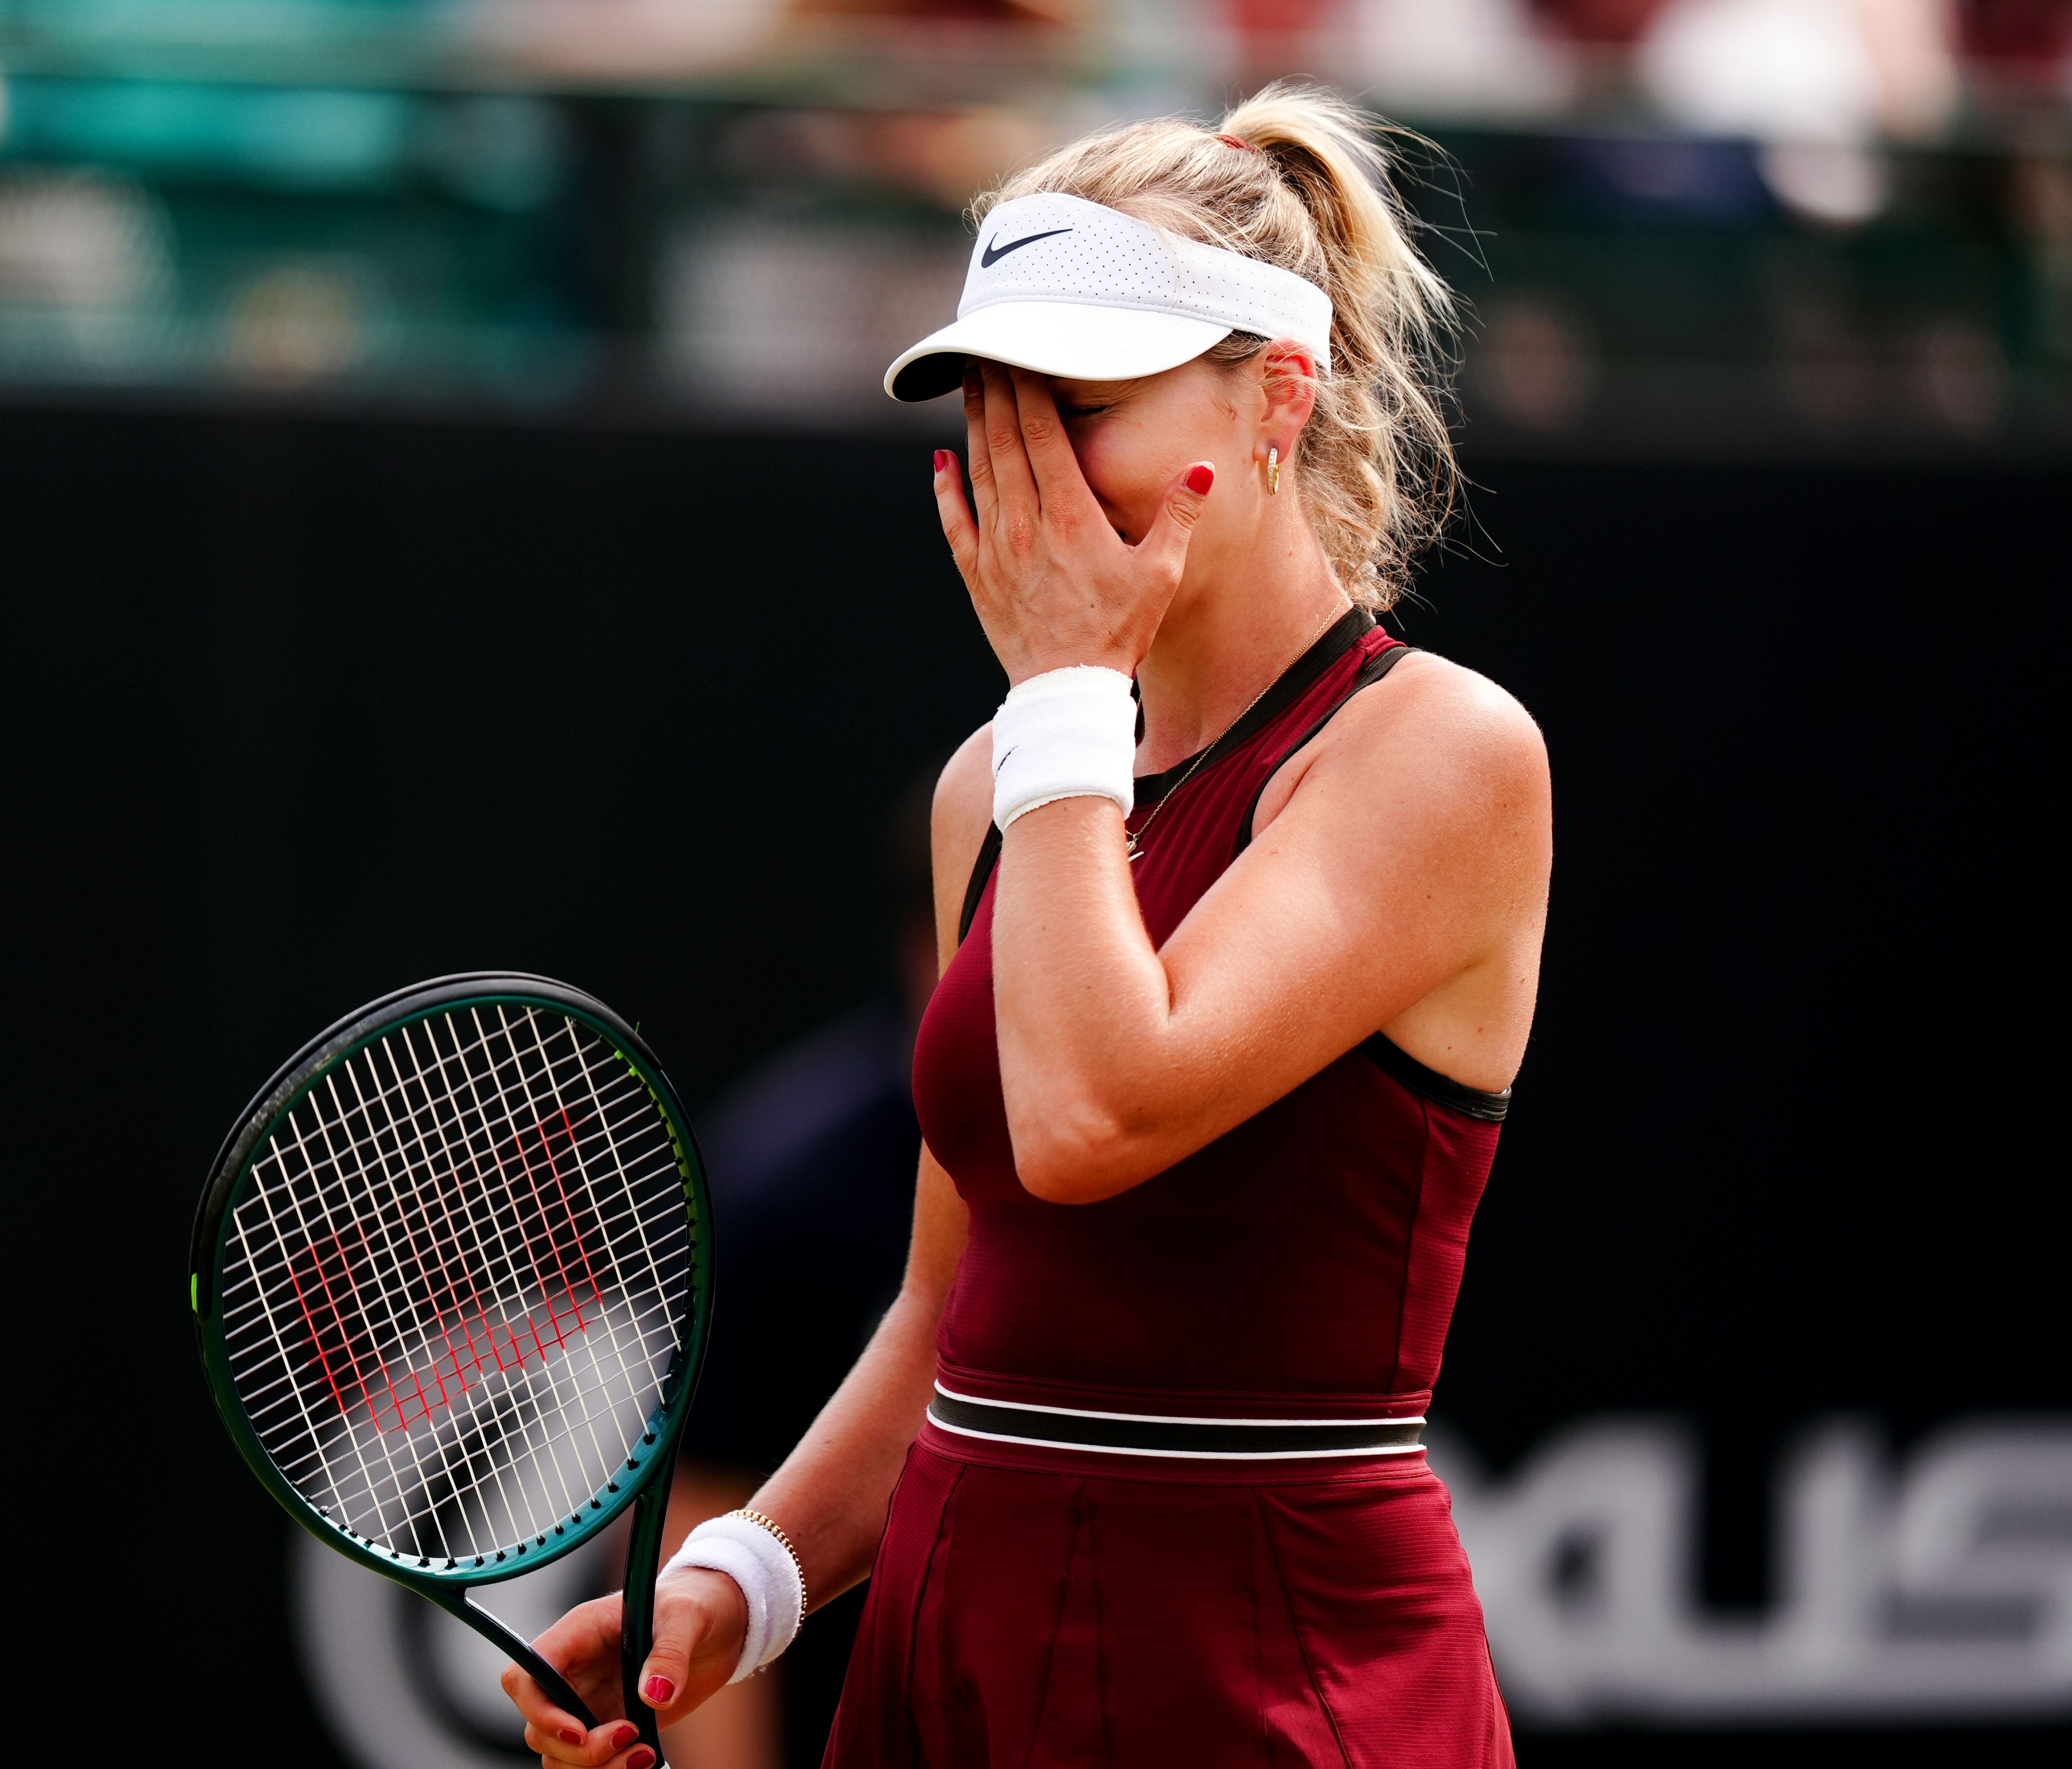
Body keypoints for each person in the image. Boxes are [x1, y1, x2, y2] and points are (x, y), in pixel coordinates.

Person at [504, 82, 1552, 1769]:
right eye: (999, 412)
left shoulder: (1440, 753)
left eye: (1086, 408)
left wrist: (1065, 691)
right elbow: (954, 1305)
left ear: (1279, 397)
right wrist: (744, 1581)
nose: (1033, 475)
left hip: (1266, 1682)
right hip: (955, 1653)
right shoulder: (993, 786)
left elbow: (1091, 1120)